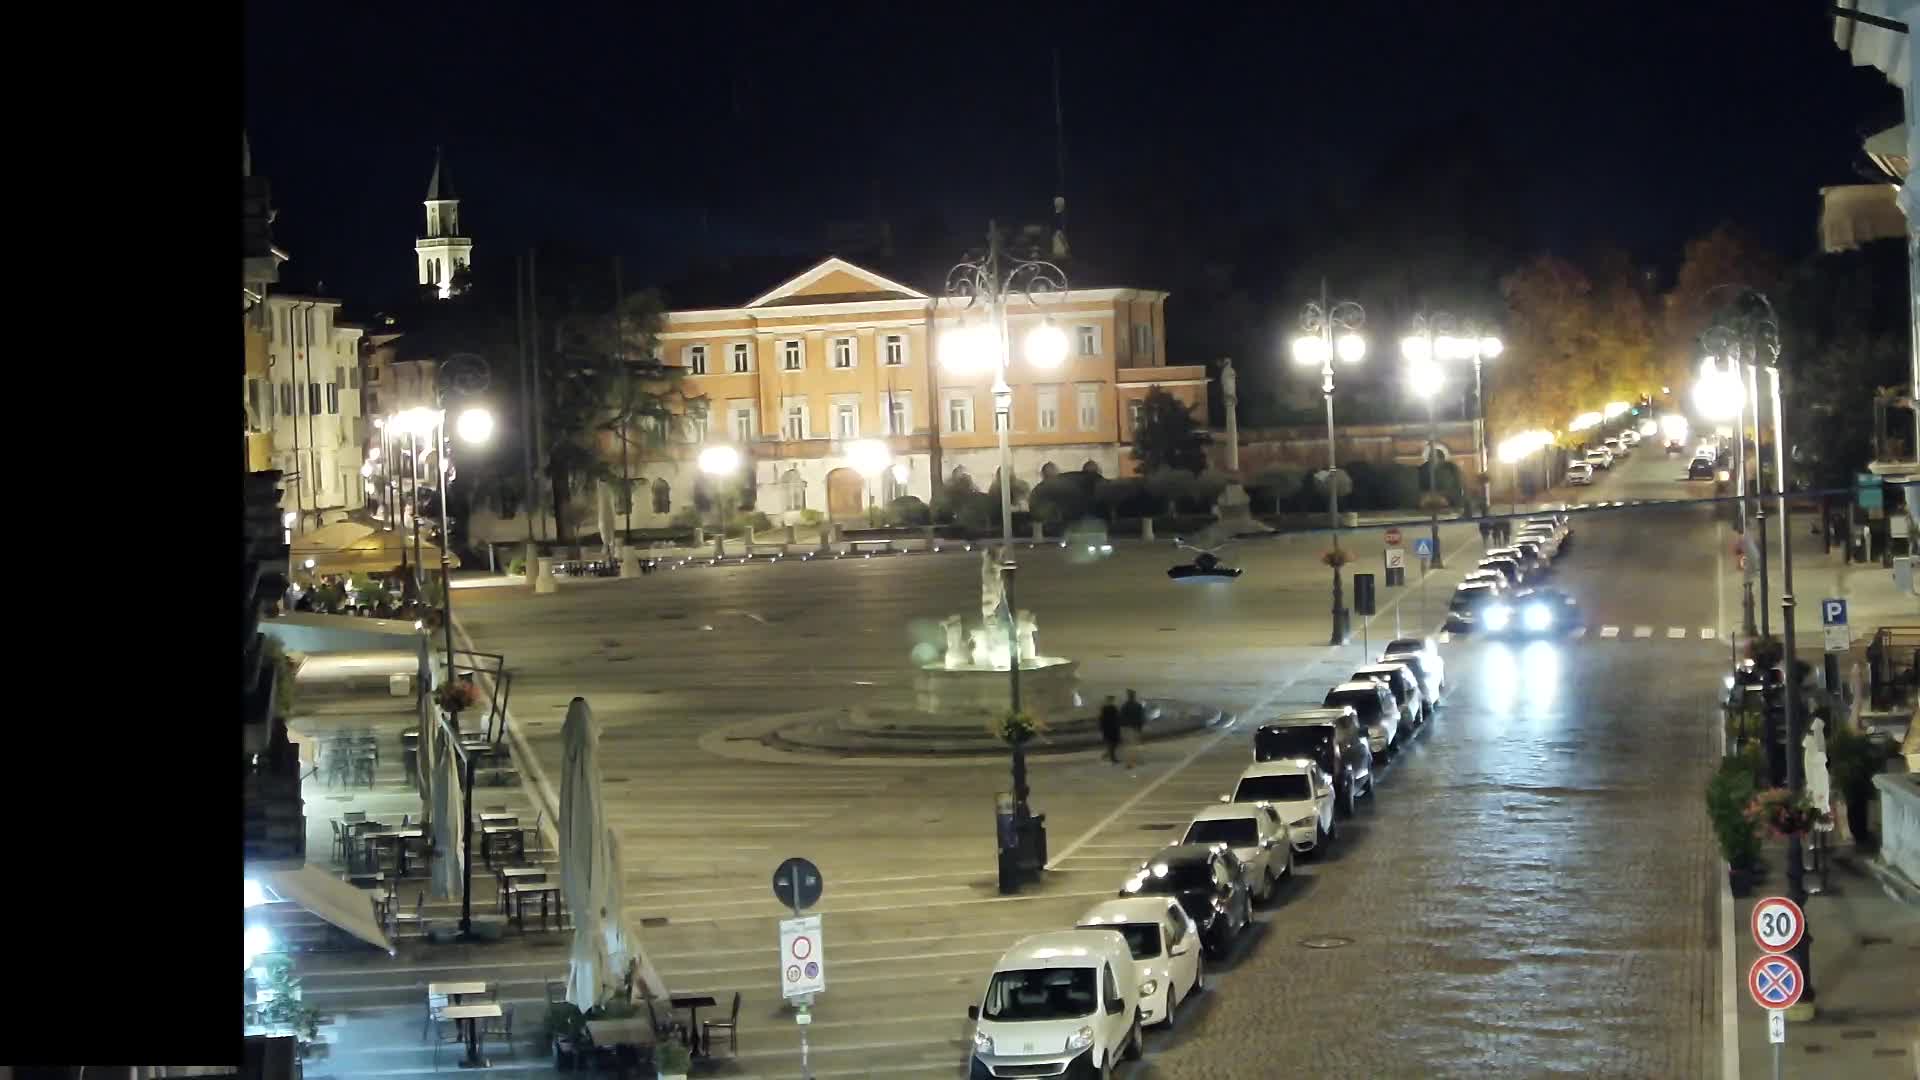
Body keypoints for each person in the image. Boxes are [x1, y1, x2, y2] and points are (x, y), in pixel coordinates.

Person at [1119, 690, 1147, 769]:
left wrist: (1121, 727)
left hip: (1126, 728)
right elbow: (1141, 717)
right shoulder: (1138, 705)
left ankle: (1130, 762)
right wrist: (1140, 728)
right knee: (1136, 745)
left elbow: (1121, 717)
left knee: (1128, 746)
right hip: (1136, 728)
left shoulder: (1124, 706)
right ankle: (1137, 760)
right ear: (1134, 696)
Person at [1097, 696, 1121, 765]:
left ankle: (1108, 755)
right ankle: (1112, 758)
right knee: (1113, 743)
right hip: (1112, 729)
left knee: (1111, 743)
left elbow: (1101, 719)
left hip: (1108, 729)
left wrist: (1101, 728)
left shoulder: (1106, 709)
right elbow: (1117, 718)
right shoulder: (1113, 708)